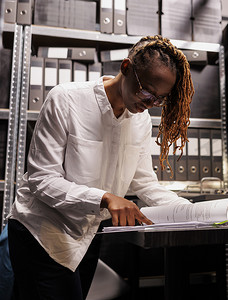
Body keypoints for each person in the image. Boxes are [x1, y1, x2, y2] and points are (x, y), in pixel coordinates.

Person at [7, 35, 195, 299]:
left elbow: (144, 183)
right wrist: (105, 198)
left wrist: (192, 212)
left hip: (87, 236)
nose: (150, 103)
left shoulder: (140, 121)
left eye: (159, 99)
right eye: (146, 91)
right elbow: (42, 180)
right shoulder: (66, 99)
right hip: (42, 232)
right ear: (126, 68)